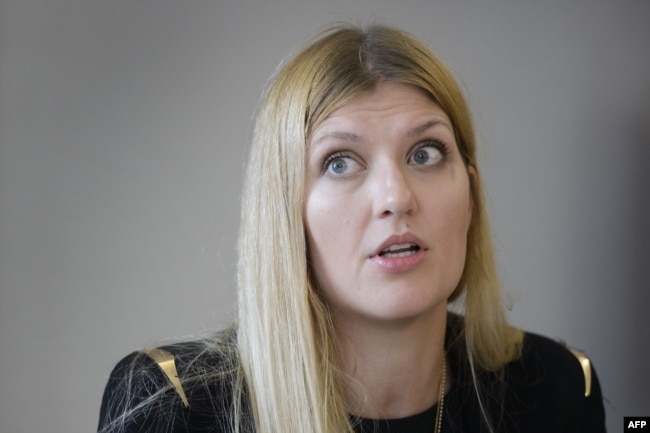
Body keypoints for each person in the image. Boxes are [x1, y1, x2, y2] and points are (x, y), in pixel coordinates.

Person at [98, 24, 606, 433]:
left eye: (424, 154)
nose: (396, 197)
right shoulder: (173, 404)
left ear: (470, 196)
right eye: (340, 162)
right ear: (284, 214)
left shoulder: (559, 387)